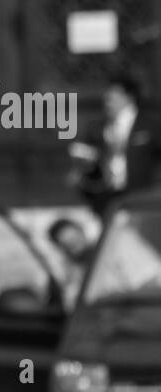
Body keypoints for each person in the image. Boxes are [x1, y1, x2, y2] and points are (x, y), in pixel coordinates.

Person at [69, 74, 160, 218]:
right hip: (106, 197)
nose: (108, 101)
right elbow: (86, 160)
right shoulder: (97, 127)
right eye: (107, 97)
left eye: (113, 97)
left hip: (142, 196)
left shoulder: (150, 126)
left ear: (129, 97)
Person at [46, 216, 94, 309]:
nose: (76, 247)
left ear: (82, 232)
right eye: (69, 245)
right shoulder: (66, 272)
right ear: (61, 248)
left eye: (76, 239)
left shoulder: (104, 254)